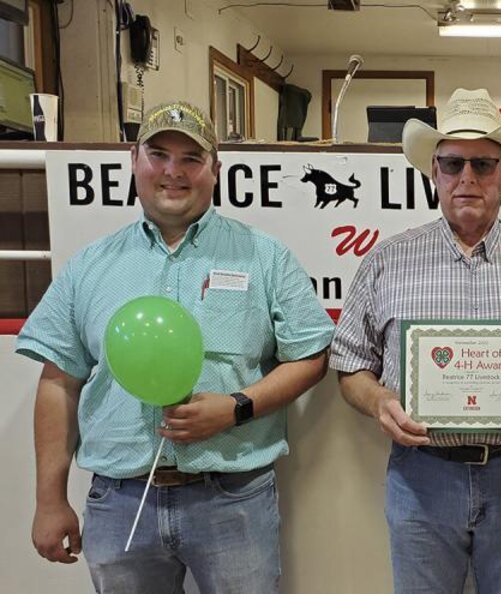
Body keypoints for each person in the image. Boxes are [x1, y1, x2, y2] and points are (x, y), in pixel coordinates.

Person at [17, 101, 334, 593]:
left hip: (234, 500)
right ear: (134, 160)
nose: (173, 171)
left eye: (191, 158)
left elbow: (311, 356)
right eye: (159, 154)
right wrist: (49, 501)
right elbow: (59, 382)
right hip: (120, 503)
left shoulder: (265, 257)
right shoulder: (89, 267)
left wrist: (237, 408)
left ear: (215, 170)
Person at [331, 88, 501, 594]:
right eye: (452, 163)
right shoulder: (386, 262)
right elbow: (350, 364)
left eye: (482, 164)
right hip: (420, 478)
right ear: (433, 171)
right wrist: (378, 401)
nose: (467, 179)